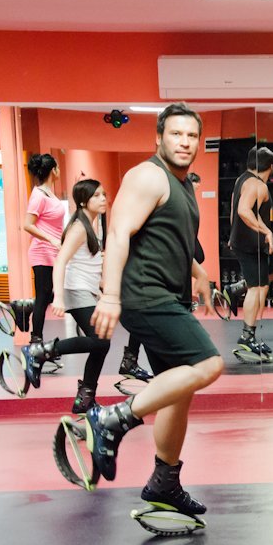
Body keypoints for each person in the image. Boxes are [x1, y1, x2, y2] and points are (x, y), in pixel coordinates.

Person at [87, 102, 223, 517]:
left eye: (191, 136)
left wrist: (200, 274)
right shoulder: (148, 176)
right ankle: (112, 419)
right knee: (209, 364)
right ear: (159, 138)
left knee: (177, 392)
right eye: (176, 134)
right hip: (146, 295)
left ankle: (165, 482)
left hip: (169, 294)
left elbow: (169, 238)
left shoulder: (182, 184)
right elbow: (119, 232)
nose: (185, 142)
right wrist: (110, 295)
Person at [20, 179, 151, 411]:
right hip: (75, 290)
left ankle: (86, 398)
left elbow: (88, 263)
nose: (103, 199)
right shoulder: (79, 227)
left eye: (104, 194)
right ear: (83, 202)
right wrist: (58, 297)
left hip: (86, 290)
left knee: (101, 344)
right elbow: (61, 261)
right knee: (99, 341)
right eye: (97, 196)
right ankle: (41, 352)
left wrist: (103, 290)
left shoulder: (92, 224)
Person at [230, 146, 273, 361]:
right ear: (271, 167)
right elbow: (242, 210)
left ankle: (238, 288)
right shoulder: (258, 186)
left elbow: (234, 207)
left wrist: (232, 233)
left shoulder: (242, 180)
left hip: (253, 243)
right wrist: (266, 231)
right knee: (258, 288)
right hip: (250, 245)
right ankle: (247, 336)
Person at [23, 153, 65, 344]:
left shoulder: (50, 193)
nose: (59, 170)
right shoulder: (38, 195)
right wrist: (51, 239)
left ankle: (25, 307)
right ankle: (36, 340)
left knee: (49, 294)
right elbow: (27, 225)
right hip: (41, 251)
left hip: (54, 251)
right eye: (57, 167)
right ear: (53, 170)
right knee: (43, 296)